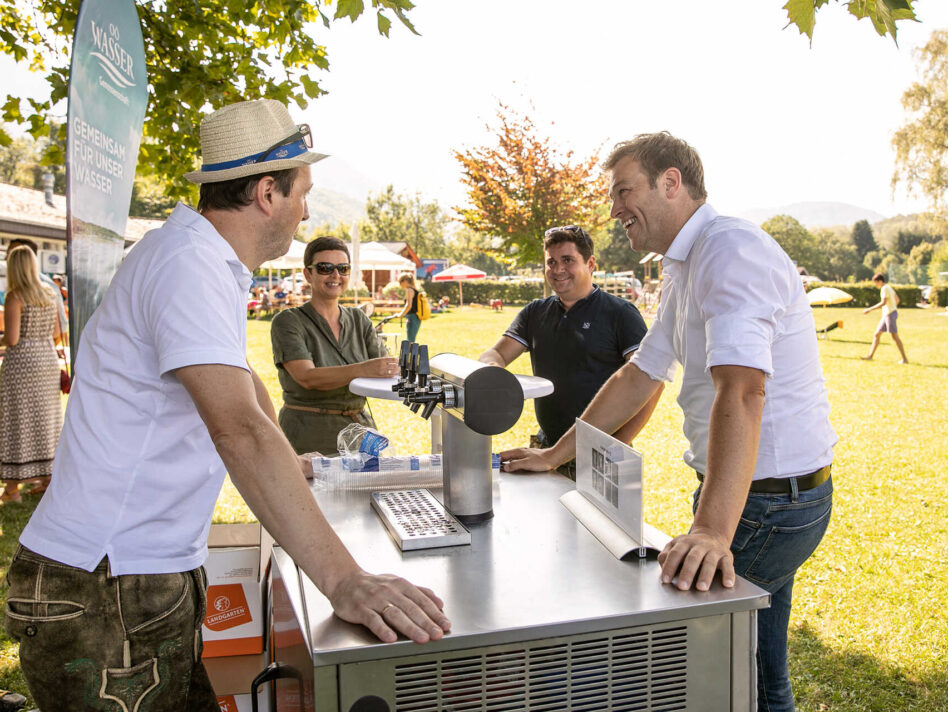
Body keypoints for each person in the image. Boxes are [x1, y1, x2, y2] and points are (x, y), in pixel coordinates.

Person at [5, 99, 449, 711]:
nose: (307, 211)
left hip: (135, 579)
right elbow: (237, 428)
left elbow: (244, 389)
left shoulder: (201, 258)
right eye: (302, 192)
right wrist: (345, 581)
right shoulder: (189, 263)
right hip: (107, 583)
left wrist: (293, 465)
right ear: (267, 192)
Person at [503, 132, 836, 712]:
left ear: (671, 183)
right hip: (748, 497)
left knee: (674, 657)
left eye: (623, 190)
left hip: (767, 504)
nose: (612, 209)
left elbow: (744, 388)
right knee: (756, 668)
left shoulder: (729, 250)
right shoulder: (685, 264)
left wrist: (710, 531)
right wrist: (557, 453)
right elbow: (640, 374)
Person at [479, 225, 661, 478]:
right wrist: (492, 369)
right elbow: (495, 354)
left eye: (568, 260)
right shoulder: (535, 312)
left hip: (602, 454)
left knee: (595, 521)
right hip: (546, 448)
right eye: (551, 262)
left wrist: (619, 442)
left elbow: (652, 382)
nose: (557, 269)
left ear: (590, 263)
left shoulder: (620, 314)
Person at [271, 236, 399, 455]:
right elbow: (307, 377)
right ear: (307, 274)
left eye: (343, 268)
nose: (335, 275)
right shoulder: (288, 321)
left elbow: (386, 368)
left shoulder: (359, 319)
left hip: (360, 431)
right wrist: (363, 369)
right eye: (325, 268)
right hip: (309, 433)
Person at [0, 246, 63, 502]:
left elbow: (12, 338)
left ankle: (12, 488)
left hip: (21, 365)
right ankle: (47, 479)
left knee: (17, 420)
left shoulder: (15, 297)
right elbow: (59, 332)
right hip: (46, 361)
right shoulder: (50, 293)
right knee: (45, 418)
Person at [5, 238, 68, 339]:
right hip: (46, 351)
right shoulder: (47, 289)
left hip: (24, 352)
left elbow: (61, 325)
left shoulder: (15, 295)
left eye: (12, 254)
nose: (6, 258)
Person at [861, 273, 908, 363]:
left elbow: (883, 302)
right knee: (877, 334)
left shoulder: (884, 288)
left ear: (880, 281)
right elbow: (897, 299)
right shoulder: (888, 287)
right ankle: (870, 356)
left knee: (895, 336)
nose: (875, 285)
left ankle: (904, 359)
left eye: (876, 282)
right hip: (887, 314)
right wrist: (892, 307)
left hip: (890, 314)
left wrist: (869, 309)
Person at [397, 271, 422, 342]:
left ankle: (410, 353)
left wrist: (401, 315)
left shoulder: (409, 290)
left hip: (412, 317)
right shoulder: (415, 289)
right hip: (416, 317)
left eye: (400, 282)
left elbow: (409, 305)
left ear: (405, 281)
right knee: (411, 339)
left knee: (410, 340)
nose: (400, 285)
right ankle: (411, 352)